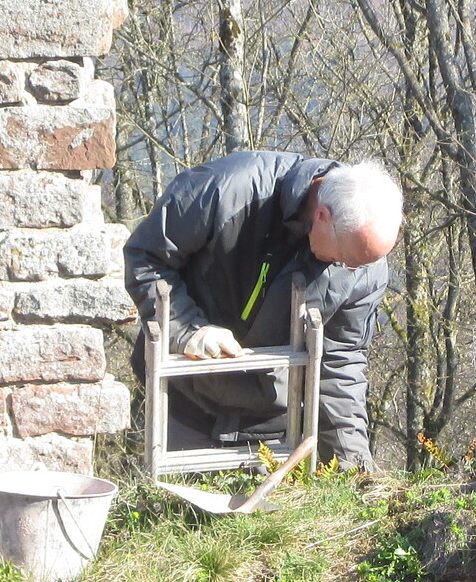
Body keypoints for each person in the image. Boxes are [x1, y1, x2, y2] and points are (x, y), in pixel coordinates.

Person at [123, 152, 403, 470]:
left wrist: (353, 466)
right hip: (183, 400)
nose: (350, 269)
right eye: (346, 258)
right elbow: (147, 257)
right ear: (322, 216)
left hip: (274, 426)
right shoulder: (228, 191)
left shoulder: (364, 264)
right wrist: (187, 329)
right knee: (178, 502)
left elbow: (340, 363)